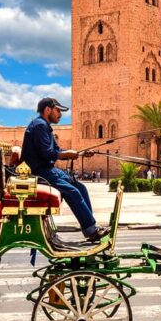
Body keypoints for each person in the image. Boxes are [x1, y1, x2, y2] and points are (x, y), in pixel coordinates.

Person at [22, 97, 109, 241]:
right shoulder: (39, 126)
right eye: (58, 111)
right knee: (73, 192)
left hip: (48, 170)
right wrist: (68, 154)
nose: (60, 115)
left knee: (80, 187)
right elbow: (47, 153)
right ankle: (91, 230)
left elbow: (56, 150)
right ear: (48, 110)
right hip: (39, 172)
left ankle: (91, 228)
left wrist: (79, 153)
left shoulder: (44, 126)